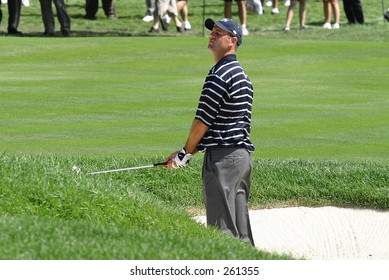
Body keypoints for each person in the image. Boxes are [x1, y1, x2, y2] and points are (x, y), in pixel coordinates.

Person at [164, 18, 255, 246]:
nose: (212, 35)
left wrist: (184, 154)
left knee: (222, 231)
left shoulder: (220, 75)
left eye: (219, 33)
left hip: (223, 160)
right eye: (212, 31)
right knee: (241, 234)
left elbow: (203, 121)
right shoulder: (242, 75)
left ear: (232, 41)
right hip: (241, 158)